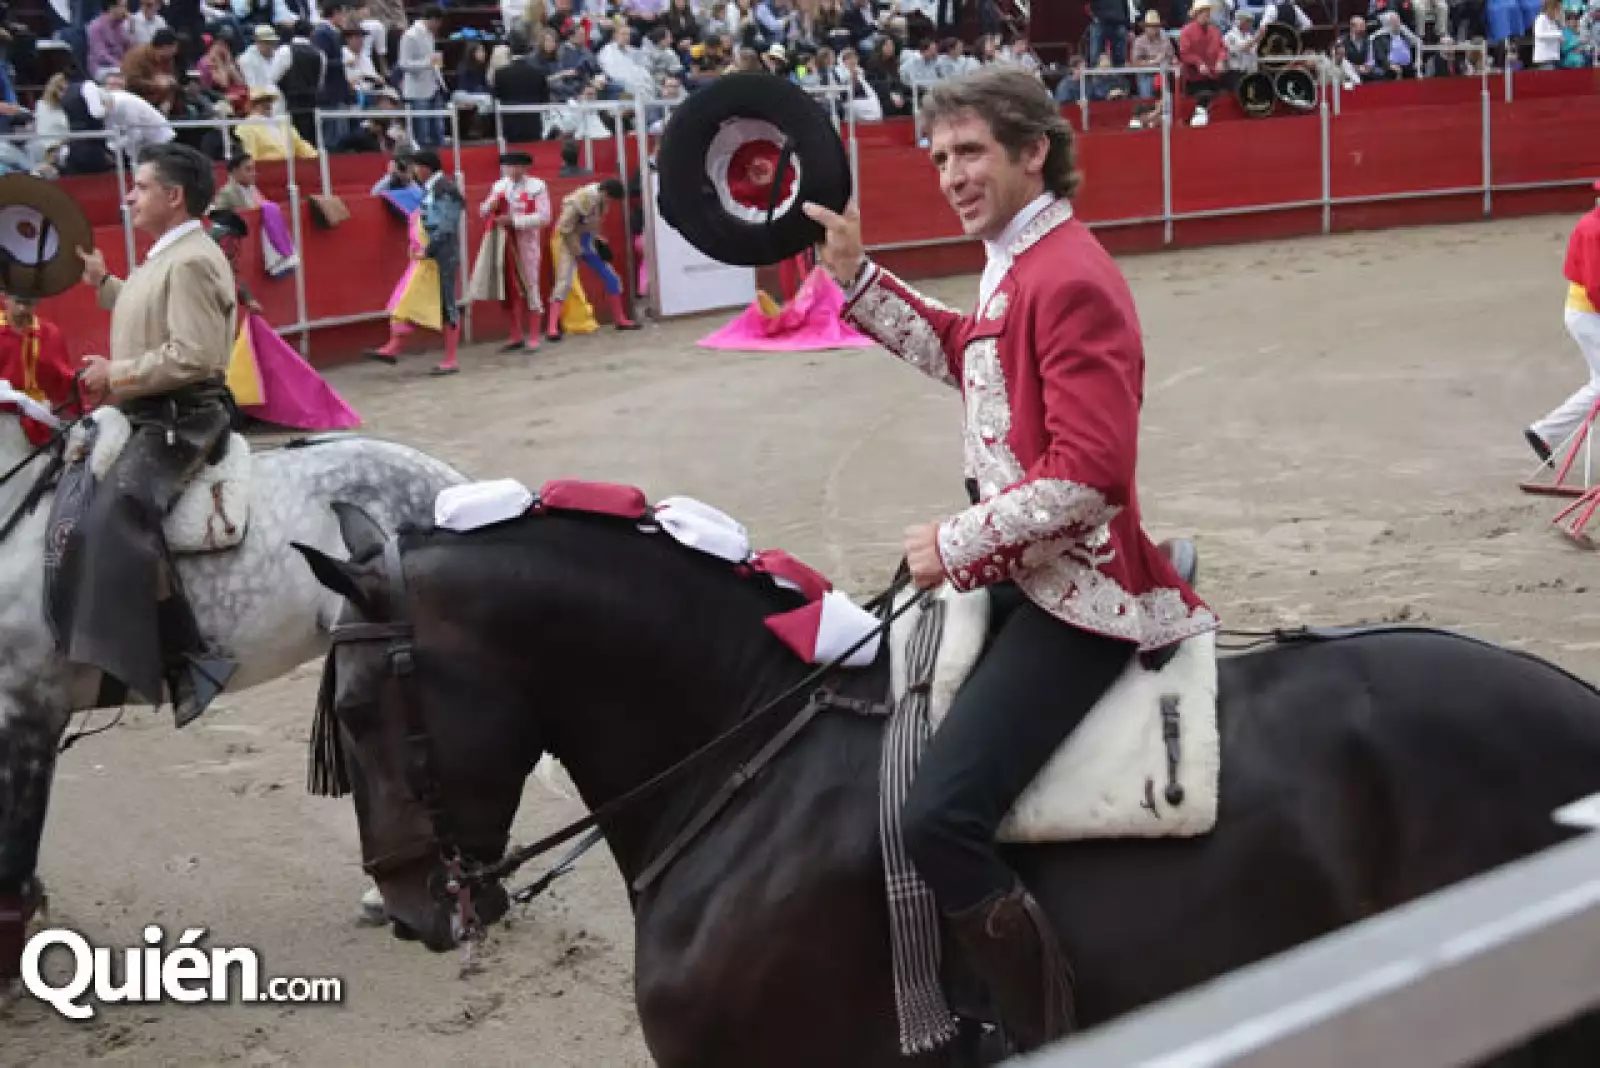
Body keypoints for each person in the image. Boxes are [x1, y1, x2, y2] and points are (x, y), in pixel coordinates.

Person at [803, 66, 1217, 1050]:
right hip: (1025, 574)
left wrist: (952, 544)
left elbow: (1089, 477)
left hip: (1081, 595)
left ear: (1034, 151)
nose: (950, 173)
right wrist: (858, 280)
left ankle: (1046, 1033)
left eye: (971, 151)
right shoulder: (1017, 262)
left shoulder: (1066, 275)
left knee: (938, 817)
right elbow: (972, 353)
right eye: (939, 156)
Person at [71, 142, 240, 726]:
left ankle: (190, 658)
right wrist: (104, 282)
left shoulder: (191, 258)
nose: (130, 196)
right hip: (155, 407)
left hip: (182, 414)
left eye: (140, 187)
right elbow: (151, 313)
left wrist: (114, 372)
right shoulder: (173, 253)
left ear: (173, 196)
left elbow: (192, 354)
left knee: (121, 508)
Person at [366, 148, 464, 375]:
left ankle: (451, 360)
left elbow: (446, 227)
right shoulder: (434, 188)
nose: (413, 172)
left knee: (446, 305)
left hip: (441, 256)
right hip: (431, 255)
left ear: (425, 168)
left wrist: (428, 250)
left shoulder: (444, 189)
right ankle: (394, 347)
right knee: (409, 298)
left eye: (415, 167)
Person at [1527, 181, 1600, 463]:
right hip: (1588, 314)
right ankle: (1545, 432)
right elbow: (1596, 287)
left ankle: (1544, 433)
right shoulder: (1594, 231)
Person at [468, 150, 551, 352]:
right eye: (508, 166)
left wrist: (514, 221)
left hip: (525, 242)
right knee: (507, 289)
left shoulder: (537, 186)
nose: (511, 170)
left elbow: (544, 218)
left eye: (515, 166)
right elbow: (481, 210)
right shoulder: (500, 186)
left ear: (524, 168)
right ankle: (515, 335)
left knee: (530, 285)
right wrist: (489, 206)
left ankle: (533, 337)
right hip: (502, 243)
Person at [546, 177, 638, 340]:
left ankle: (620, 320)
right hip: (567, 241)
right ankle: (551, 328)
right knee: (564, 282)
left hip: (587, 240)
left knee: (612, 278)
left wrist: (597, 240)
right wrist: (577, 249)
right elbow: (564, 227)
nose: (610, 202)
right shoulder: (581, 198)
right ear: (604, 192)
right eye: (609, 198)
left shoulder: (601, 200)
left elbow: (592, 224)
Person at [0, 292, 78, 447]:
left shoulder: (49, 334)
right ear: (5, 298)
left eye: (28, 303)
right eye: (18, 301)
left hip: (40, 422)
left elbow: (65, 383)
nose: (22, 309)